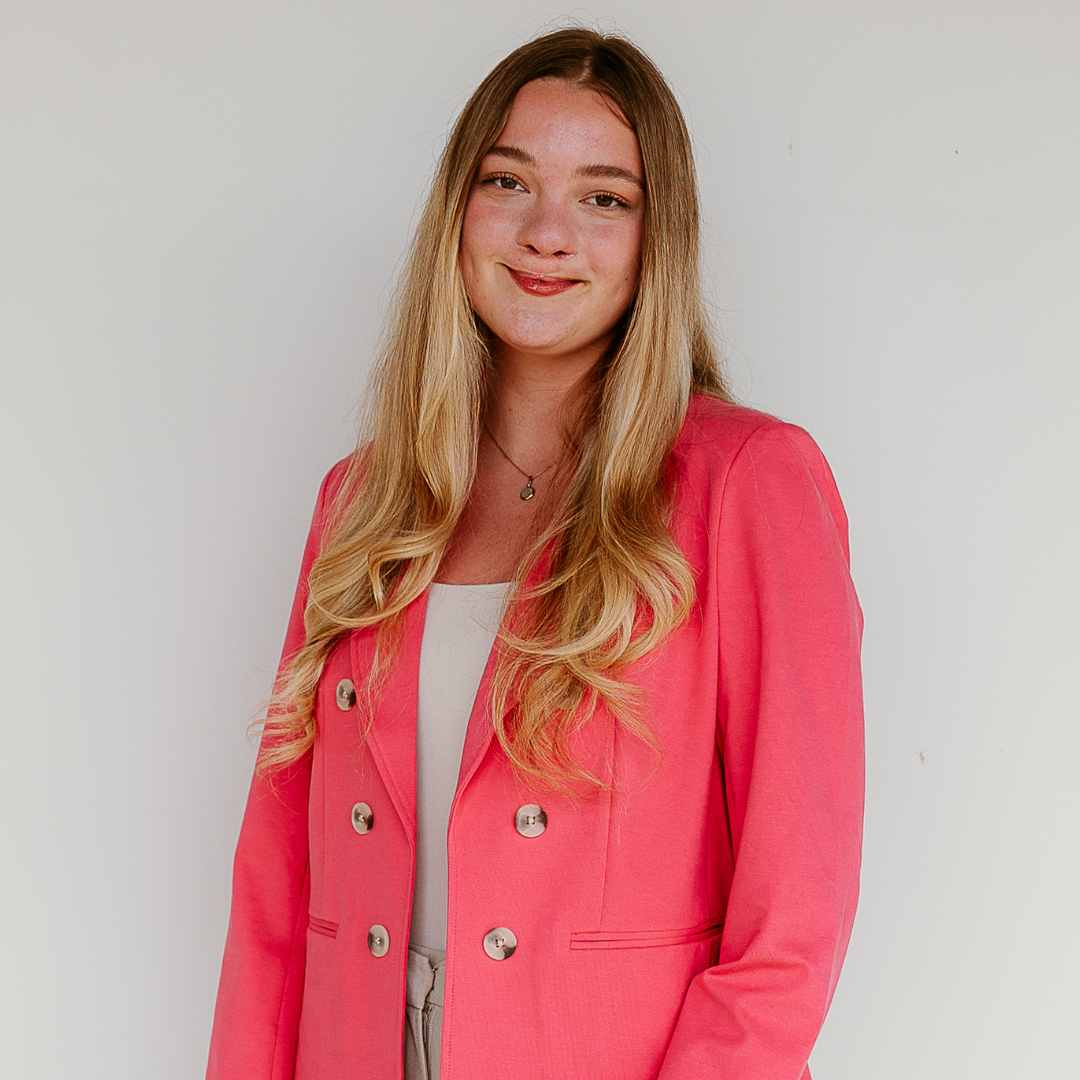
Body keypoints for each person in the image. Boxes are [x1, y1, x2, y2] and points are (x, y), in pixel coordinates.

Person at [206, 27, 864, 1080]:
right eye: (509, 181)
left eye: (605, 197)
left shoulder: (748, 484)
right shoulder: (363, 499)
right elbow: (277, 892)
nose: (547, 233)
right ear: (458, 212)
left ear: (657, 238)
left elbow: (794, 919)